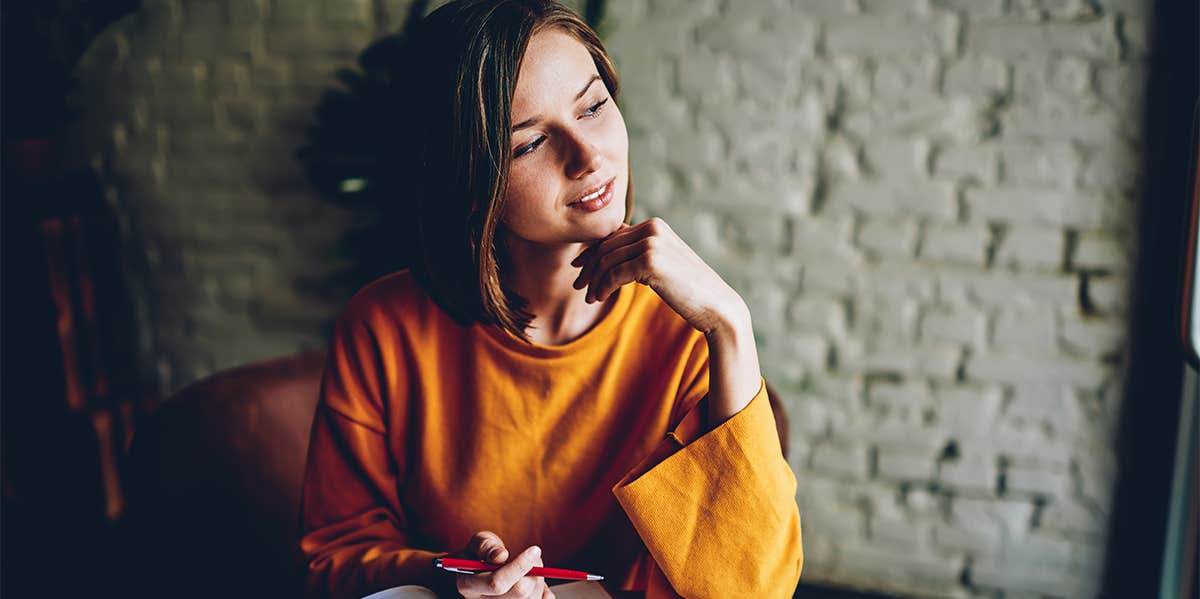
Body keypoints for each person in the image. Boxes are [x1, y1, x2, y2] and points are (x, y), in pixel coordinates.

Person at [298, 1, 804, 597]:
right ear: (466, 178)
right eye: (530, 143)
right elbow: (334, 559)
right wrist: (450, 575)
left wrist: (731, 324)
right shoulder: (384, 325)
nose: (589, 157)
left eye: (593, 106)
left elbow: (751, 588)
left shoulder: (687, 333)